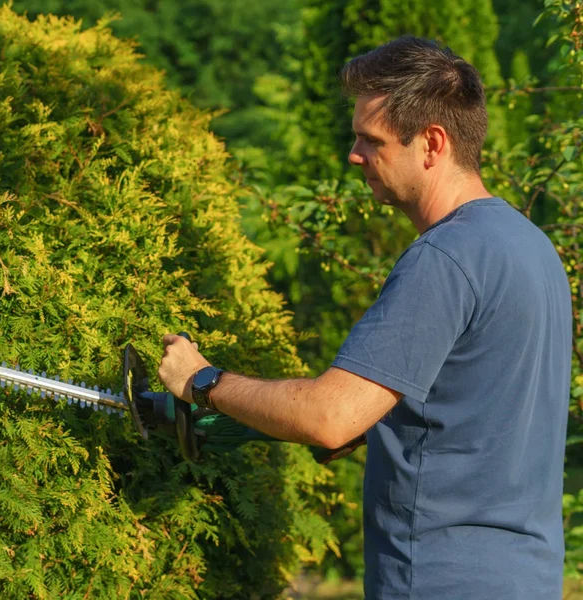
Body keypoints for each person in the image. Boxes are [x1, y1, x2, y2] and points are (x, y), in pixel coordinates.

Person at [158, 36, 572, 599]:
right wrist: (261, 418)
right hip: (526, 577)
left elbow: (331, 417)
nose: (354, 154)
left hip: (438, 579)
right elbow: (478, 407)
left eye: (370, 139)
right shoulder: (530, 247)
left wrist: (204, 382)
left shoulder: (444, 259)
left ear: (431, 143)